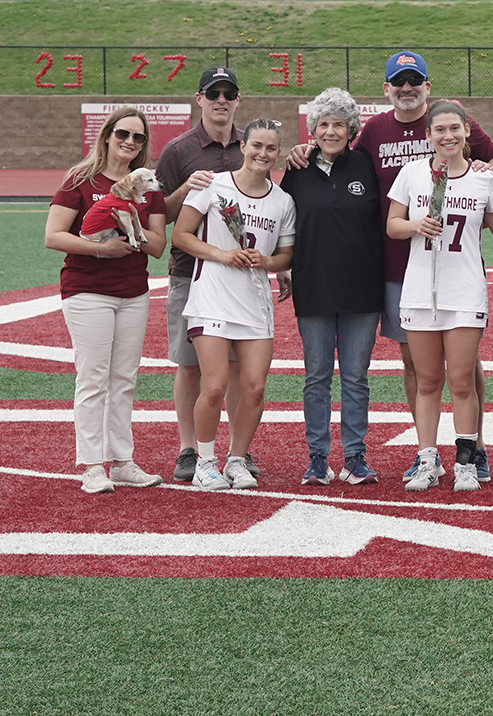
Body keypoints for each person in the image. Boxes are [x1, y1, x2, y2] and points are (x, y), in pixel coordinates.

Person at [290, 51, 493, 484]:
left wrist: (487, 168)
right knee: (416, 363)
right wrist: (305, 149)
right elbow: (338, 156)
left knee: (465, 368)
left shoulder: (451, 120)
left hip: (456, 268)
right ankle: (427, 453)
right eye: (399, 82)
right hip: (395, 266)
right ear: (387, 88)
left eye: (414, 81)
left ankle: (475, 448)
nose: (407, 89)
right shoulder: (374, 130)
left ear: (427, 85)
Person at [45, 106, 168, 493]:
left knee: (124, 380)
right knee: (94, 377)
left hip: (133, 291)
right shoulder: (80, 178)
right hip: (87, 290)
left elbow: (158, 246)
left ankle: (123, 461)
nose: (130, 142)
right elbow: (53, 235)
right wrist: (101, 248)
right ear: (107, 136)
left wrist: (132, 228)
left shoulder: (145, 185)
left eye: (138, 137)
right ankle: (92, 465)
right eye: (123, 134)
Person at [387, 100, 493, 493]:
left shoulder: (484, 179)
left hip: (464, 291)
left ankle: (466, 461)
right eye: (439, 129)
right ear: (428, 135)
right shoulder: (412, 172)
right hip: (420, 290)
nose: (448, 136)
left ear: (467, 131)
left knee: (462, 381)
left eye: (455, 128)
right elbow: (392, 226)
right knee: (427, 381)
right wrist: (415, 225)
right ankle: (427, 460)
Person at [173, 118, 296, 492]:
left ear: (278, 153)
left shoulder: (283, 201)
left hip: (255, 304)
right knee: (214, 386)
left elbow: (286, 255)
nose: (263, 153)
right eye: (256, 145)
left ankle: (237, 459)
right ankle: (205, 462)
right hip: (212, 298)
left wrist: (267, 261)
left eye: (270, 148)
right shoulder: (214, 185)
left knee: (254, 388)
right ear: (243, 147)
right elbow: (181, 235)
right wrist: (222, 254)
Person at [280, 87, 385, 485]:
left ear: (351, 129)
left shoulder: (366, 166)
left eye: (339, 124)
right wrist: (282, 266)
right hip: (314, 285)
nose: (330, 131)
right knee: (317, 376)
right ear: (313, 129)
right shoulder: (297, 170)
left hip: (362, 287)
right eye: (323, 124)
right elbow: (283, 224)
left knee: (356, 376)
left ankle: (355, 457)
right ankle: (318, 458)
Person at [157, 67, 250, 483]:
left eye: (229, 93)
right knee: (191, 365)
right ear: (199, 99)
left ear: (238, 99)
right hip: (189, 271)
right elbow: (158, 213)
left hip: (238, 275)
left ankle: (236, 453)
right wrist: (184, 190)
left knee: (235, 368)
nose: (221, 100)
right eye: (213, 93)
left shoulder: (250, 145)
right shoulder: (179, 150)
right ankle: (188, 448)